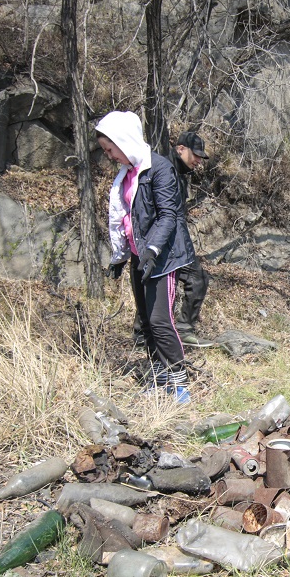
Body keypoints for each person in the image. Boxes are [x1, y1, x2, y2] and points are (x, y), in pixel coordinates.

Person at [96, 111, 196, 403]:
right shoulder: (127, 174)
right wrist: (119, 258)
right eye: (105, 151)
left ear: (123, 141)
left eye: (110, 149)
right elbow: (126, 219)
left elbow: (169, 216)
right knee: (145, 321)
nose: (109, 155)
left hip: (162, 257)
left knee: (160, 320)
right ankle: (159, 379)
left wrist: (152, 251)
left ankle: (180, 384)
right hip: (141, 256)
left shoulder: (159, 168)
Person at [171, 131, 213, 347]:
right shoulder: (166, 170)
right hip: (168, 243)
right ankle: (182, 329)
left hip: (173, 241)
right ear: (180, 149)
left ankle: (147, 334)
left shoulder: (178, 173)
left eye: (201, 156)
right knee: (195, 279)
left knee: (197, 279)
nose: (198, 160)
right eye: (195, 154)